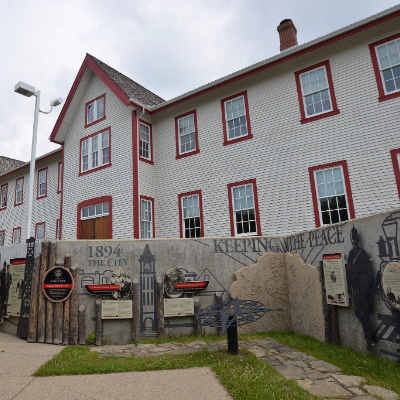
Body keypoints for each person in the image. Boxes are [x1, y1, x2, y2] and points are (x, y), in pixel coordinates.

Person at [347, 226, 376, 351]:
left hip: (363, 284)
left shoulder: (362, 253)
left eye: (355, 239)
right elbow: (348, 270)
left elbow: (369, 270)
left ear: (358, 240)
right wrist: (349, 285)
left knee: (367, 313)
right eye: (352, 239)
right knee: (357, 312)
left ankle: (369, 340)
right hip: (355, 286)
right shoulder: (350, 254)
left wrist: (370, 286)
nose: (354, 241)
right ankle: (366, 328)